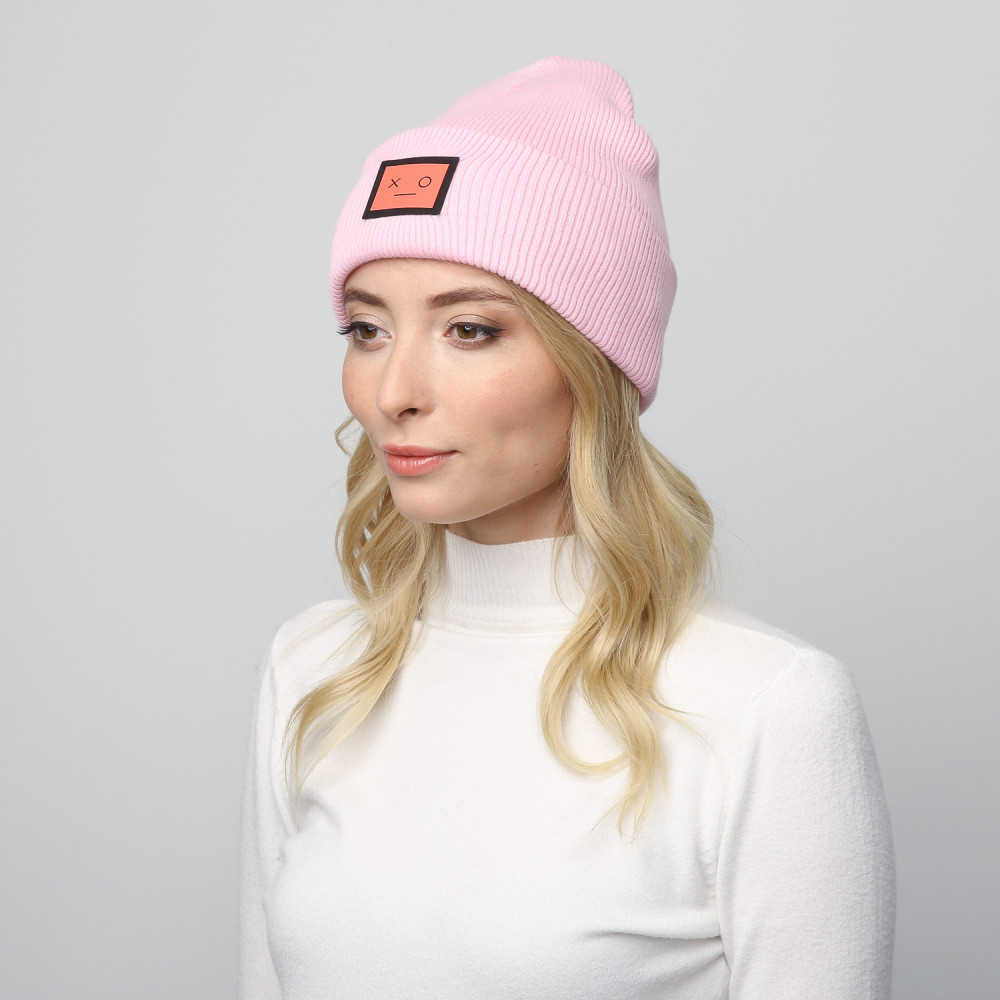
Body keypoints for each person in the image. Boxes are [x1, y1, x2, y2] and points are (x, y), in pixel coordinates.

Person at [239, 57, 895, 999]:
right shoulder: (312, 672)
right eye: (367, 329)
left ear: (595, 363)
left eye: (470, 329)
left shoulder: (766, 707)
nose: (394, 392)